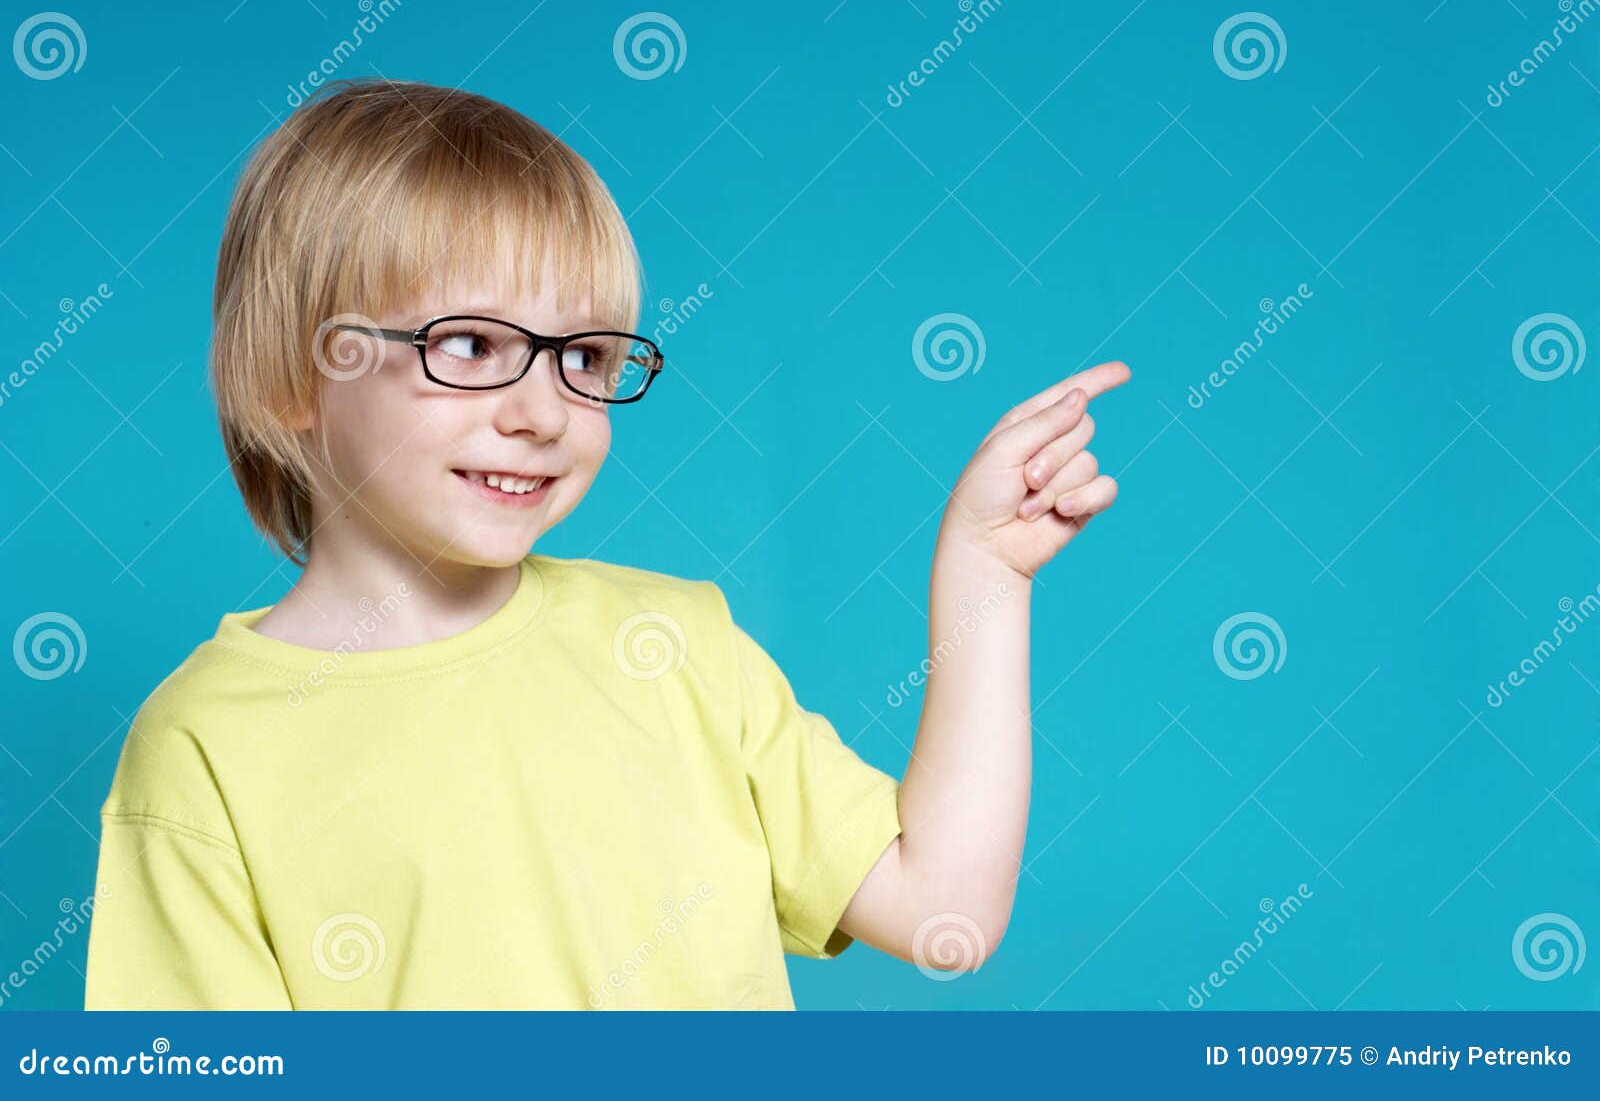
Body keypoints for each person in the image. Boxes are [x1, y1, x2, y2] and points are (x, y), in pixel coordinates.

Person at [83, 78, 1129, 1009]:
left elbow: (945, 912)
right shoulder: (203, 750)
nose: (543, 411)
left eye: (582, 357)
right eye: (469, 344)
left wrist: (985, 576)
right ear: (291, 379)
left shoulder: (677, 646)